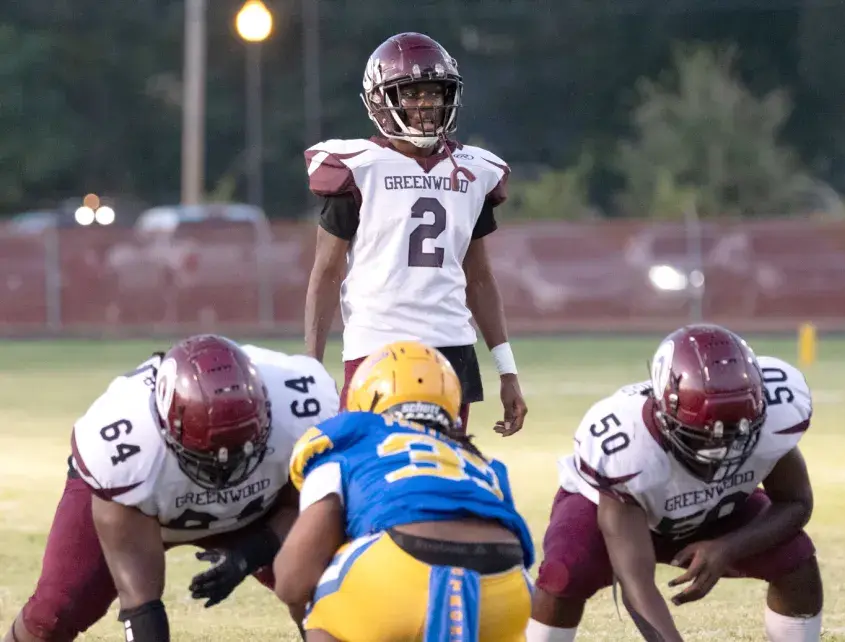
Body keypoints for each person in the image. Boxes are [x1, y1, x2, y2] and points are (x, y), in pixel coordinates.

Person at [4, 335, 339, 642]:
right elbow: (140, 603)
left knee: (328, 587)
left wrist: (251, 553)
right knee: (54, 611)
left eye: (240, 454)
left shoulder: (303, 413)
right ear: (167, 429)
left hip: (259, 509)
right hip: (145, 506)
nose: (225, 474)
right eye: (208, 459)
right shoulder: (125, 450)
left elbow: (313, 513)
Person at [526, 324, 822, 642]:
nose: (721, 451)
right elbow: (635, 583)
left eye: (737, 433)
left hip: (714, 507)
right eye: (702, 437)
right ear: (664, 416)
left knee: (794, 557)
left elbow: (796, 502)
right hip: (618, 510)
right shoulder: (627, 449)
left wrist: (728, 547)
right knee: (566, 571)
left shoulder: (775, 415)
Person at [302, 31, 527, 436]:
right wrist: (312, 367)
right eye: (412, 94)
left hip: (452, 346)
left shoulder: (474, 171)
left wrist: (507, 370)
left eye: (435, 93)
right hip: (377, 346)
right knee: (371, 462)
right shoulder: (358, 167)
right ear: (381, 100)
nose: (426, 104)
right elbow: (327, 273)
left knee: (443, 464)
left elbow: (479, 278)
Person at [273, 340, 535, 641]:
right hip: (506, 584)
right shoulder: (479, 461)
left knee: (316, 600)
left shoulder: (349, 437)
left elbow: (293, 580)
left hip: (402, 567)